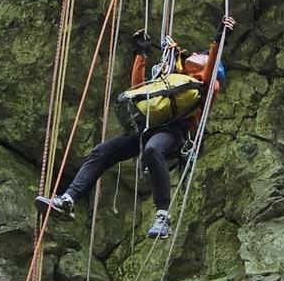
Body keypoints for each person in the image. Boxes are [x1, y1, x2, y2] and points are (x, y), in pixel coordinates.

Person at [35, 16, 236, 239]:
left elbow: (209, 70)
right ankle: (68, 200)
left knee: (152, 150)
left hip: (174, 132)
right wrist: (141, 54)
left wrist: (218, 40)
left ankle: (162, 215)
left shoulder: (207, 87)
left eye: (201, 55)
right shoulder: (171, 78)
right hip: (147, 129)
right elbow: (139, 90)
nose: (194, 55)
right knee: (102, 151)